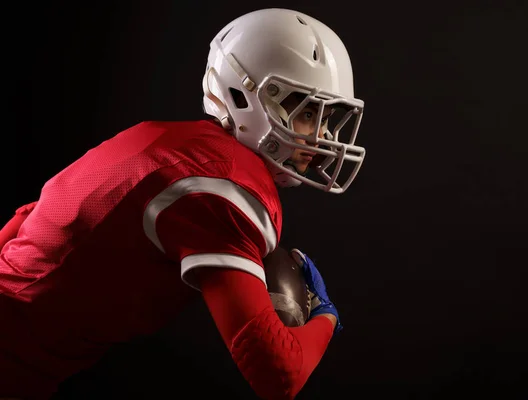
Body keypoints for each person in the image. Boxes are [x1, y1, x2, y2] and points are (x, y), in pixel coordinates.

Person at [0, 8, 366, 400]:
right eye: (308, 112)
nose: (323, 135)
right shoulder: (222, 188)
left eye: (329, 116)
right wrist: (325, 315)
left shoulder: (160, 139)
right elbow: (279, 376)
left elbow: (27, 217)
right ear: (246, 96)